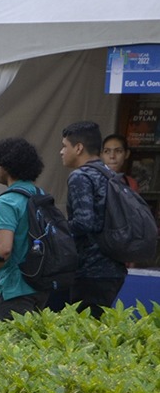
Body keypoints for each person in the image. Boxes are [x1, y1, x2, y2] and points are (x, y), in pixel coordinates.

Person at [0, 137, 49, 319]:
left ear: (5, 167)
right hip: (41, 285)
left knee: (13, 337)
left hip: (15, 288)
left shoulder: (7, 201)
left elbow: (4, 249)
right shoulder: (40, 195)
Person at [60, 120, 126, 316]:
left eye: (65, 146)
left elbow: (83, 222)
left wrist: (57, 229)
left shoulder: (80, 176)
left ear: (78, 148)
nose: (61, 152)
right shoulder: (110, 174)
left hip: (91, 270)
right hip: (113, 267)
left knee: (84, 329)